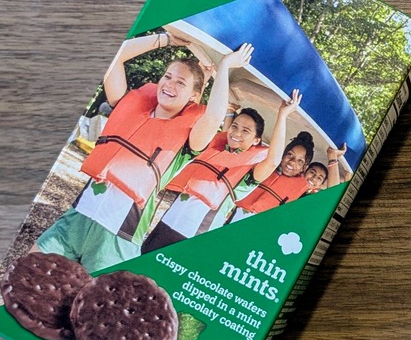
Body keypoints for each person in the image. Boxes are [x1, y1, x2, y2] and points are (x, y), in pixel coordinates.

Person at [32, 31, 254, 272]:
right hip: (78, 218)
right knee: (25, 274)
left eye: (180, 82)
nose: (170, 84)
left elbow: (213, 117)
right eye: (168, 76)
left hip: (118, 237)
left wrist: (225, 67)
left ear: (193, 95)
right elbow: (115, 55)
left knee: (92, 306)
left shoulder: (188, 142)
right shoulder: (129, 105)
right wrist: (165, 39)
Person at [141, 90, 304, 253]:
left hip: (195, 240)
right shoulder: (211, 150)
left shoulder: (248, 175)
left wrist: (283, 115)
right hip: (165, 225)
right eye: (235, 126)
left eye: (245, 131)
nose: (237, 133)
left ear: (256, 140)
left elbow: (273, 161)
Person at [225, 129, 316, 224]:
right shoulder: (263, 166)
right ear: (283, 155)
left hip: (260, 227)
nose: (292, 161)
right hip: (232, 214)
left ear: (303, 168)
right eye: (290, 154)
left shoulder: (301, 195)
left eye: (300, 161)